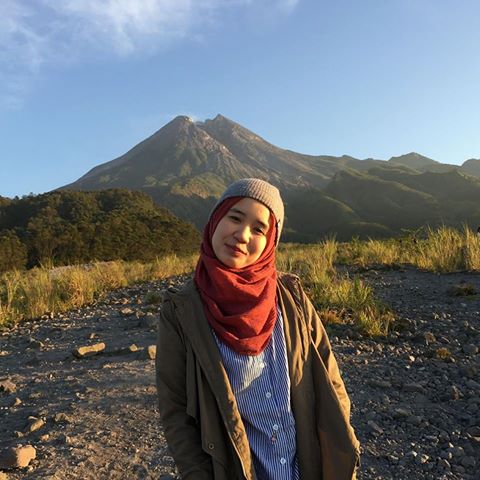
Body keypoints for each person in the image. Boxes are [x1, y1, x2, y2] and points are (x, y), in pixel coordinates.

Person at [155, 178, 360, 480]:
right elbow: (175, 410)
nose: (242, 235)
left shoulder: (291, 298)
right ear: (215, 220)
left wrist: (341, 446)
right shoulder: (181, 310)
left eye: (259, 229)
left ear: (270, 242)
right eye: (235, 218)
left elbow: (331, 381)